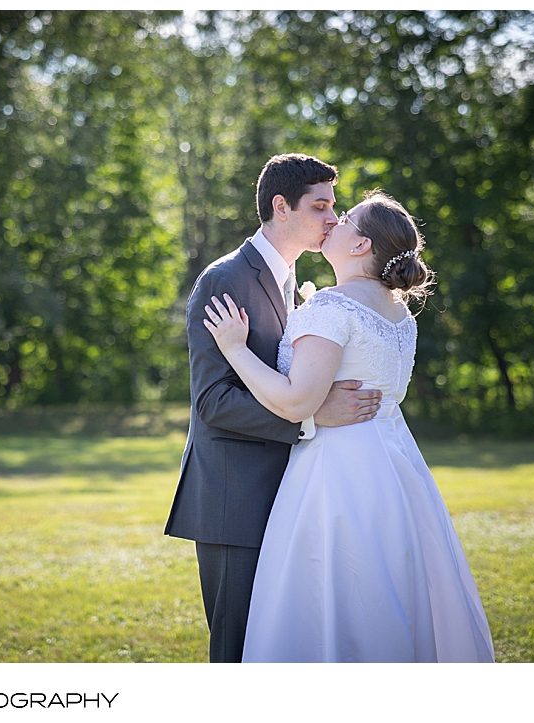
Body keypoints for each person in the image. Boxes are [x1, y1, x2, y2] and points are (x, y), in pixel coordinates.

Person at [203, 190, 495, 662]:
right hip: (395, 468)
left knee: (333, 591)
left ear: (361, 246)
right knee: (393, 588)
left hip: (336, 472)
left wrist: (236, 350)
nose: (333, 221)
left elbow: (298, 400)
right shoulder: (400, 313)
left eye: (344, 219)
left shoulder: (333, 308)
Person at [164, 154, 383, 663]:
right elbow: (212, 402)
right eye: (321, 206)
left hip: (289, 494)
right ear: (280, 207)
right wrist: (311, 415)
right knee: (238, 652)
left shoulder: (290, 280)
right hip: (234, 500)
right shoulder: (227, 279)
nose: (333, 218)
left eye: (334, 206)